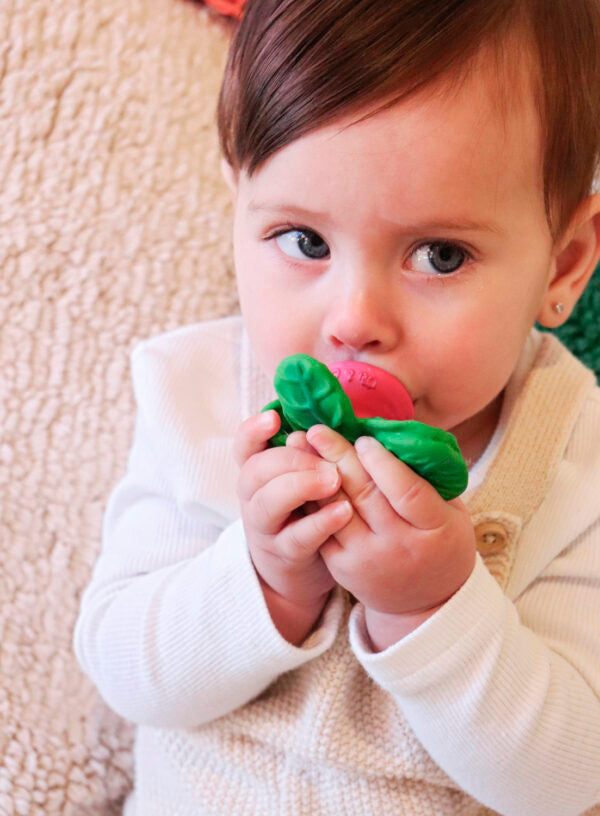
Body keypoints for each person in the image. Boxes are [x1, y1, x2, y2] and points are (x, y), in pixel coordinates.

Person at [74, 1, 600, 813]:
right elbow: (122, 668)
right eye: (305, 242)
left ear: (564, 265)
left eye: (440, 255)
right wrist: (264, 582)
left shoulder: (573, 449)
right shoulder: (197, 394)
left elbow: (572, 777)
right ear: (238, 205)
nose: (355, 321)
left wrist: (432, 610)